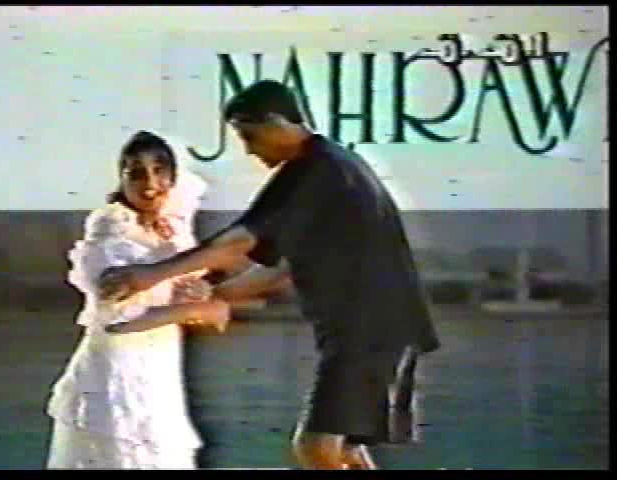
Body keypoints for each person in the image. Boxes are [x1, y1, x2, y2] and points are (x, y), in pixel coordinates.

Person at [101, 80, 441, 470]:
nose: (248, 150)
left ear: (277, 121)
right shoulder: (325, 166)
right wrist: (214, 290)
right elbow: (281, 266)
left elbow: (239, 241)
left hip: (370, 330)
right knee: (342, 449)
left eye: (249, 136)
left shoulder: (316, 171)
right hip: (375, 327)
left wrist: (151, 275)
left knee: (315, 448)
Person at [45, 131, 230, 469]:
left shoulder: (171, 227)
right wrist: (199, 309)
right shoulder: (110, 227)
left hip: (161, 363)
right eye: (137, 174)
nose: (150, 184)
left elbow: (185, 282)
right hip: (118, 366)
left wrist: (197, 293)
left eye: (160, 171)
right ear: (122, 179)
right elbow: (119, 318)